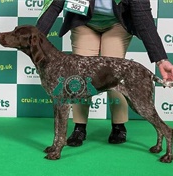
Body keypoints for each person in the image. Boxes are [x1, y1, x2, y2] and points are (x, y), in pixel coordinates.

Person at [36, 0, 173, 147]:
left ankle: (118, 125)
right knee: (78, 77)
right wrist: (35, 38)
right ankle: (79, 127)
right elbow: (56, 5)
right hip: (84, 21)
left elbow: (142, 15)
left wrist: (161, 59)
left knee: (115, 75)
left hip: (117, 23)